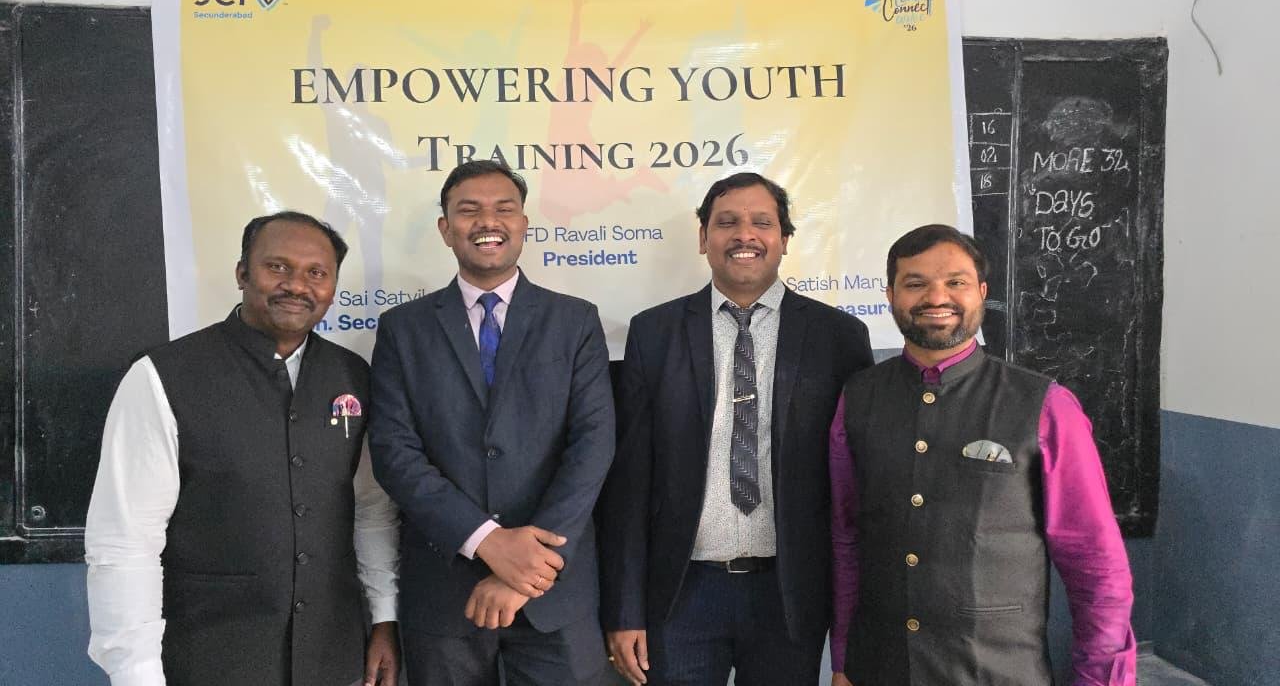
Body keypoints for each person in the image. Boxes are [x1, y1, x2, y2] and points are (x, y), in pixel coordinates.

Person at [85, 211, 401, 686]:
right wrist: (135, 671)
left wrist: (383, 617)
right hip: (209, 659)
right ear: (241, 273)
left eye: (316, 273)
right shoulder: (163, 377)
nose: (297, 285)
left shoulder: (352, 376)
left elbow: (371, 510)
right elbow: (125, 542)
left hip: (332, 659)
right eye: (278, 267)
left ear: (333, 288)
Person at [597, 172, 874, 685]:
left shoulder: (838, 337)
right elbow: (630, 483)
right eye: (727, 222)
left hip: (789, 595)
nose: (744, 234)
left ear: (784, 239)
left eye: (761, 223)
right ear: (704, 238)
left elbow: (854, 484)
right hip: (681, 592)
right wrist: (624, 608)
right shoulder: (654, 333)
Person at [829, 224, 1136, 686]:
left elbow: (1094, 561)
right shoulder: (858, 398)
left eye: (956, 282)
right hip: (879, 668)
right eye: (915, 283)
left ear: (982, 293)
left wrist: (1102, 680)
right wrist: (843, 661)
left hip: (999, 671)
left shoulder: (1044, 406)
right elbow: (847, 538)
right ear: (890, 295)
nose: (937, 297)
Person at [368, 159, 615, 686]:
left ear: (524, 224)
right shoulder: (402, 329)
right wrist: (486, 541)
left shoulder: (575, 320)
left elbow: (592, 447)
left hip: (555, 596)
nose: (488, 222)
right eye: (469, 211)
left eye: (504, 209)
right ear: (445, 228)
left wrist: (527, 569)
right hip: (445, 594)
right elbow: (394, 454)